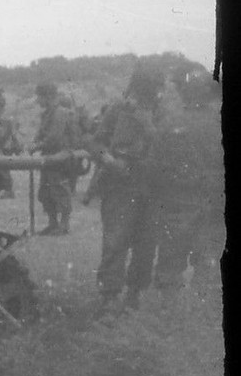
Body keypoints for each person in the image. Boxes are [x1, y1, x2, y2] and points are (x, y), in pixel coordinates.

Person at [85, 66, 165, 314]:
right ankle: (109, 297)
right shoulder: (117, 110)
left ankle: (134, 294)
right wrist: (109, 160)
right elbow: (94, 142)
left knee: (146, 244)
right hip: (119, 183)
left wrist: (145, 121)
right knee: (115, 241)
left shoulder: (163, 113)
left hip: (151, 185)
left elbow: (165, 145)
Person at [146, 84, 224, 303]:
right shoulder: (217, 123)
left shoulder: (169, 124)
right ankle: (205, 308)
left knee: (171, 257)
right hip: (214, 201)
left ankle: (168, 309)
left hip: (175, 200)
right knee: (209, 256)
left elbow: (153, 167)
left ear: (182, 93)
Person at [30, 82, 79, 235]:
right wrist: (36, 143)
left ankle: (64, 225)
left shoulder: (60, 113)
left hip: (61, 157)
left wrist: (37, 146)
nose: (38, 101)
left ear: (49, 96)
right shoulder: (48, 114)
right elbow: (42, 134)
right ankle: (53, 224)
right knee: (45, 192)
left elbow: (55, 138)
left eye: (40, 97)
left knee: (60, 190)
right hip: (50, 157)